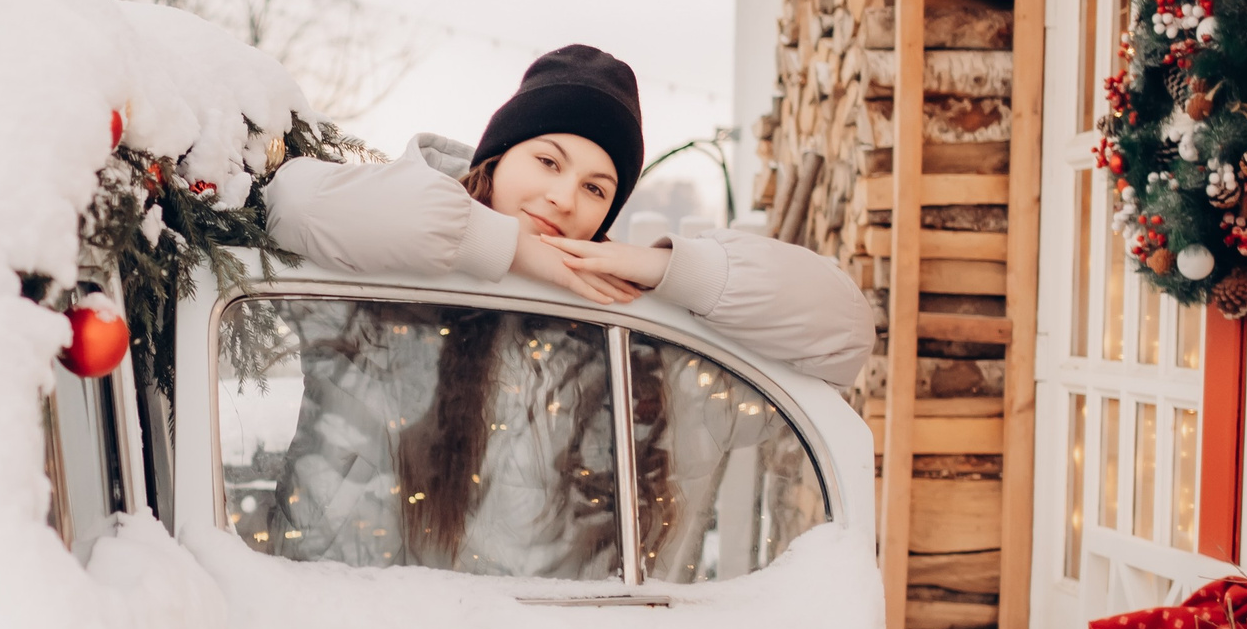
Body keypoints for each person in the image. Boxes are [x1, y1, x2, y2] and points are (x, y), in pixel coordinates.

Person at [255, 44, 870, 582]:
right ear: (499, 155)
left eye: (596, 189)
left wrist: (663, 270)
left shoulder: (637, 345)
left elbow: (843, 335)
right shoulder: (389, 281)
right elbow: (289, 203)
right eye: (548, 162)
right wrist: (505, 249)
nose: (562, 198)